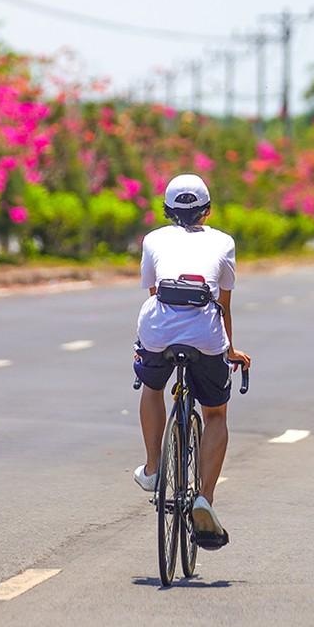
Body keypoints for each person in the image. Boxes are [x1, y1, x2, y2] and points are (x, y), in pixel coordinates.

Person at [129, 173, 251, 551]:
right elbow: (223, 304)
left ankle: (152, 468)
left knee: (153, 387)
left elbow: (154, 291)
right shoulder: (223, 242)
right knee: (215, 414)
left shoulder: (153, 240)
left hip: (158, 330)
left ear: (167, 211)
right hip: (206, 334)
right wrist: (230, 350)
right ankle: (204, 498)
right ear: (207, 210)